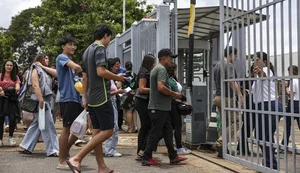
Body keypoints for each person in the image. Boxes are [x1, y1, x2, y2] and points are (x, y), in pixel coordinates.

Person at [67, 24, 125, 173]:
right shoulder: (100, 49)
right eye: (109, 38)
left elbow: (84, 77)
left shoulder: (87, 51)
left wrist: (85, 97)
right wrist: (117, 77)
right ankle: (77, 158)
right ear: (105, 36)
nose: (109, 41)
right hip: (102, 96)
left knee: (97, 132)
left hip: (92, 97)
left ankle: (102, 167)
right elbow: (101, 71)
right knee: (108, 131)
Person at [142, 48, 187, 166]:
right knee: (155, 133)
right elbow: (161, 87)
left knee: (167, 132)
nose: (171, 60)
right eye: (170, 58)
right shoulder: (161, 69)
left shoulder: (157, 69)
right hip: (159, 108)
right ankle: (146, 157)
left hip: (162, 108)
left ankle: (173, 157)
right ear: (163, 58)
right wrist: (174, 94)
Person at [19, 53, 59, 157]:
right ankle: (53, 149)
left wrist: (42, 66)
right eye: (45, 58)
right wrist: (41, 100)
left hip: (44, 99)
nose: (47, 60)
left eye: (48, 58)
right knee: (48, 124)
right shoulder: (35, 70)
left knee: (38, 123)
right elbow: (35, 85)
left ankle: (27, 145)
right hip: (39, 99)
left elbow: (57, 73)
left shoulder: (43, 69)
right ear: (40, 59)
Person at [56, 36, 83, 169]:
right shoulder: (61, 57)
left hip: (75, 98)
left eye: (74, 45)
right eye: (70, 44)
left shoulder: (68, 60)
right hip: (67, 98)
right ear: (63, 46)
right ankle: (61, 160)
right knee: (66, 129)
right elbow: (77, 67)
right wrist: (83, 69)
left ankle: (65, 151)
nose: (72, 47)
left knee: (78, 129)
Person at [251, 51, 283, 170]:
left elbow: (263, 75)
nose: (255, 61)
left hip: (269, 106)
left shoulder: (267, 70)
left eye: (257, 59)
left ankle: (270, 165)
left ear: (264, 62)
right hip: (263, 106)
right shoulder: (257, 76)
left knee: (261, 136)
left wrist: (259, 71)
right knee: (266, 137)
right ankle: (269, 165)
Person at [213, 46, 244, 158]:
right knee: (237, 122)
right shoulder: (228, 65)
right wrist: (240, 95)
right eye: (235, 55)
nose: (236, 58)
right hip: (227, 97)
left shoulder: (217, 65)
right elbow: (231, 81)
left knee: (225, 123)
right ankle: (220, 142)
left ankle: (222, 149)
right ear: (231, 54)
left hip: (218, 97)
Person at [135, 54, 156, 160]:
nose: (154, 65)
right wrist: (155, 90)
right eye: (153, 63)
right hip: (142, 101)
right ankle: (142, 150)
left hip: (142, 101)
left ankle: (141, 150)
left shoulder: (143, 70)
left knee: (145, 126)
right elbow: (142, 89)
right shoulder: (144, 72)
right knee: (147, 125)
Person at [167, 63, 191, 155]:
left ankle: (150, 146)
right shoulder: (170, 81)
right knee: (177, 126)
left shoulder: (172, 80)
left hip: (175, 104)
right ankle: (179, 148)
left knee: (170, 127)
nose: (177, 70)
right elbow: (176, 93)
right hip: (174, 106)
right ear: (173, 70)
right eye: (176, 69)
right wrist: (183, 99)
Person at [105, 58, 125, 157]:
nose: (117, 67)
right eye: (116, 65)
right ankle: (109, 149)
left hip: (113, 101)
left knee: (114, 126)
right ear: (111, 66)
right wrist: (118, 91)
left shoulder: (111, 78)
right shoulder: (107, 77)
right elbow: (107, 93)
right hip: (109, 102)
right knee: (112, 126)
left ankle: (111, 148)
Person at [278, 65, 300, 152]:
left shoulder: (293, 80)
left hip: (293, 103)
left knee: (287, 125)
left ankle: (284, 145)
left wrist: (286, 86)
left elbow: (290, 94)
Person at [0, 60, 21, 147]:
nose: (9, 67)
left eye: (11, 65)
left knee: (12, 119)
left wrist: (5, 91)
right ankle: (0, 139)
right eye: (7, 65)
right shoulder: (0, 75)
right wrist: (3, 90)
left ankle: (11, 136)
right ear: (4, 66)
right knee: (0, 120)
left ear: (13, 67)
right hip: (1, 100)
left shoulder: (15, 77)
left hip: (11, 100)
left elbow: (17, 88)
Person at [121, 61, 138, 133]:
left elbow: (119, 85)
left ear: (125, 67)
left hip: (126, 94)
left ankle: (130, 128)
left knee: (128, 111)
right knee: (134, 110)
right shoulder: (135, 75)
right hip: (134, 93)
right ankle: (136, 126)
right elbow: (137, 85)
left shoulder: (123, 75)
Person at [115, 57, 126, 130]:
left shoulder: (123, 70)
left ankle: (120, 124)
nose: (117, 66)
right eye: (115, 65)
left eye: (118, 64)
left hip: (122, 91)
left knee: (120, 109)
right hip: (115, 91)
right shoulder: (113, 71)